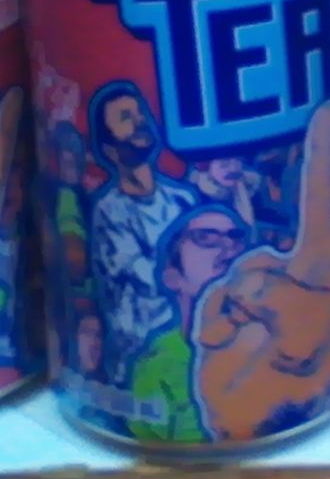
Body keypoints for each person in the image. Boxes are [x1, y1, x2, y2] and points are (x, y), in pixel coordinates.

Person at [86, 82, 195, 384]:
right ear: (108, 149)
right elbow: (148, 278)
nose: (139, 122)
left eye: (139, 114)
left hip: (189, 347)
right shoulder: (109, 211)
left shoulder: (182, 200)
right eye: (125, 118)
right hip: (139, 359)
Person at [127, 203, 250, 444]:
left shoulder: (274, 347)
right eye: (205, 237)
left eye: (235, 238)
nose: (228, 248)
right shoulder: (157, 364)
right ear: (172, 277)